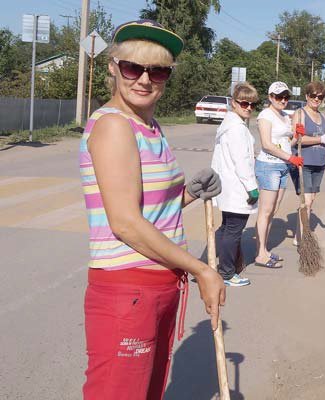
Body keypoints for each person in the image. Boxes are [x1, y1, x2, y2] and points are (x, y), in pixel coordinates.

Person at [79, 19, 225, 399]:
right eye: (133, 67)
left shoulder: (149, 125)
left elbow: (151, 210)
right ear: (113, 67)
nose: (144, 79)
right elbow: (126, 223)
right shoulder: (114, 126)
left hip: (159, 287)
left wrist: (191, 192)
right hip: (128, 290)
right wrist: (201, 269)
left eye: (157, 70)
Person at [211, 82, 260, 287]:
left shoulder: (229, 125)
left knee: (226, 227)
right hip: (238, 187)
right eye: (244, 103)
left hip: (229, 186)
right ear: (234, 103)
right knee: (233, 231)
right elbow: (242, 162)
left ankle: (215, 264)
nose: (248, 107)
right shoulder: (237, 129)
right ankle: (227, 273)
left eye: (252, 104)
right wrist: (252, 187)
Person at [254, 82, 303, 269]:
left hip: (282, 166)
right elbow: (266, 144)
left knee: (273, 211)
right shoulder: (265, 115)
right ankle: (260, 254)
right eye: (278, 97)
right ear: (270, 97)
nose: (283, 100)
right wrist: (291, 158)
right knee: (265, 211)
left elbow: (287, 142)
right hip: (269, 166)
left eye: (285, 97)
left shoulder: (285, 116)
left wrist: (297, 136)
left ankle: (264, 249)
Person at [290, 81, 325, 245]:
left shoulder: (322, 116)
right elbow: (296, 140)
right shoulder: (300, 114)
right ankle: (302, 236)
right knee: (306, 201)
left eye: (320, 97)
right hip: (304, 163)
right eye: (313, 96)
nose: (317, 99)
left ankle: (300, 232)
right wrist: (319, 139)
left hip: (319, 164)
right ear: (307, 96)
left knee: (311, 200)